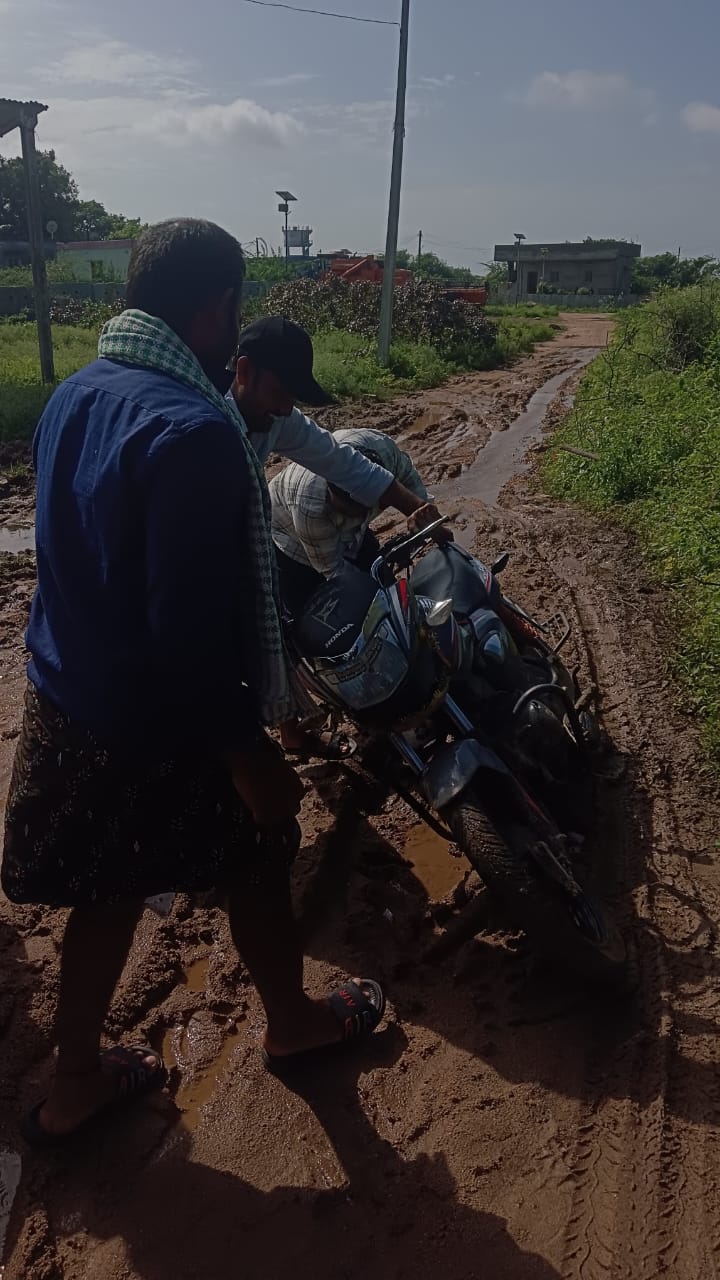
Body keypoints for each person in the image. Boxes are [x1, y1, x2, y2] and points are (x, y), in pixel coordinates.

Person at [1, 219, 385, 1147]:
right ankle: (294, 1026)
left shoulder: (76, 393)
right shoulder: (196, 433)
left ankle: (77, 1082)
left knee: (107, 887)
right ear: (217, 313)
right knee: (255, 855)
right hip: (159, 722)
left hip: (67, 694)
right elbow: (191, 641)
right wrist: (252, 757)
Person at [229, 317, 449, 757]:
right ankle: (288, 732)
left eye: (293, 397)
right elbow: (336, 576)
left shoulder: (277, 416)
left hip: (258, 523)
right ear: (244, 372)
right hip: (269, 542)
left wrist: (422, 516)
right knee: (279, 632)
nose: (286, 407)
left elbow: (351, 465)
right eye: (281, 393)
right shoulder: (209, 422)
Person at [269, 427, 436, 611]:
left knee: (384, 583)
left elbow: (412, 484)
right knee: (316, 615)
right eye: (350, 514)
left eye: (366, 510)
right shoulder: (310, 505)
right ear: (331, 493)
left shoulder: (383, 451)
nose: (359, 519)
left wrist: (424, 523)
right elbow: (335, 571)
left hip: (343, 532)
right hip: (292, 538)